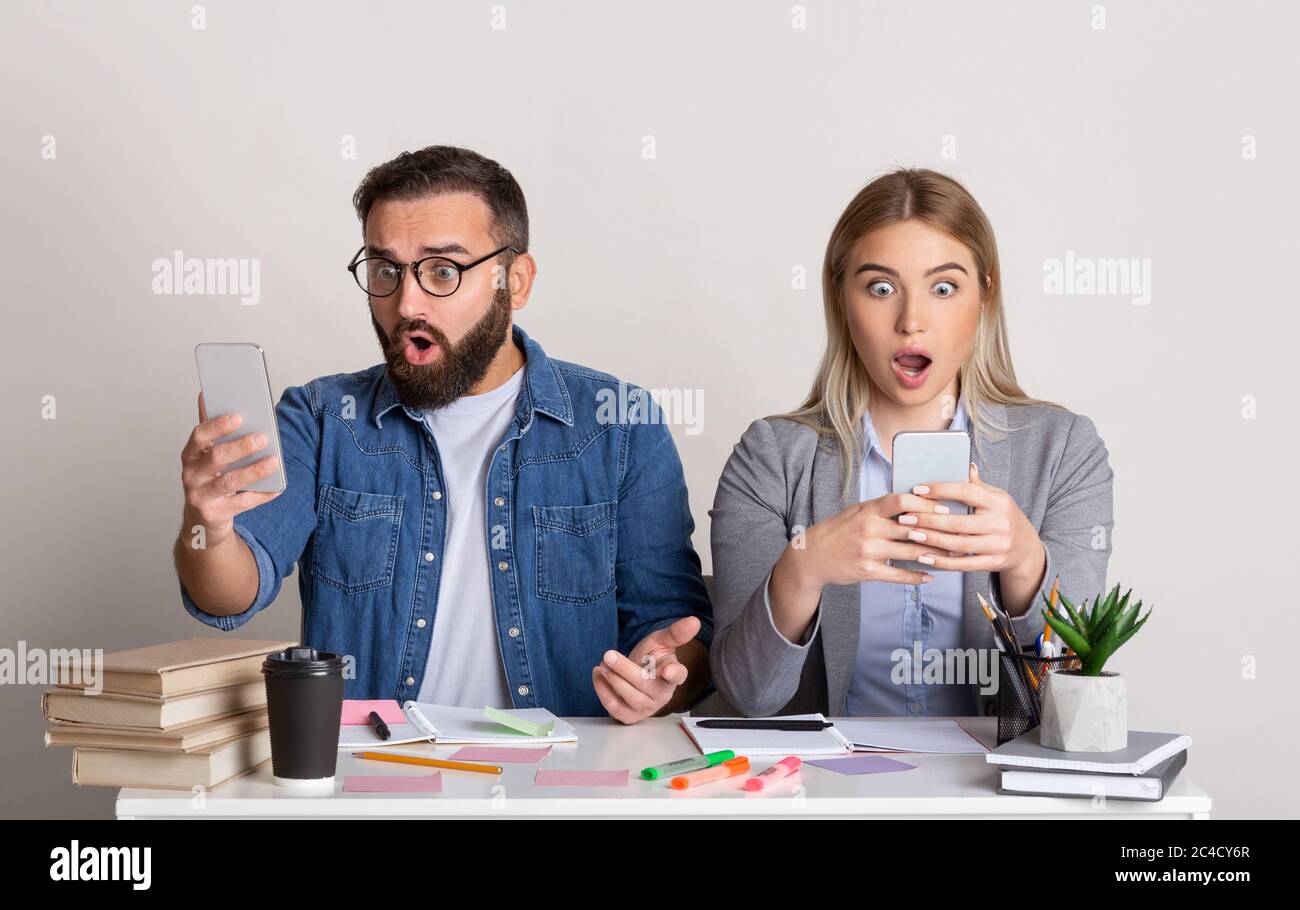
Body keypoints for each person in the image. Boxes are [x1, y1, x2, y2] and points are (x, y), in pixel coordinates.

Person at [174, 145, 712, 721]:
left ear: (517, 281)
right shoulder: (321, 419)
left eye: (442, 270)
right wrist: (205, 525)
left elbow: (681, 637)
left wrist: (658, 681)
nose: (406, 302)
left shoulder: (621, 422)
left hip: (557, 776)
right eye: (385, 270)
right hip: (375, 775)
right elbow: (228, 593)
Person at [708, 168, 1113, 718]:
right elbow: (746, 696)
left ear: (984, 296)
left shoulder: (1063, 450)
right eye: (880, 288)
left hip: (985, 796)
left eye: (943, 288)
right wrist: (802, 569)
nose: (911, 321)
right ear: (841, 299)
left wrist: (1024, 563)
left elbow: (1072, 705)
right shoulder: (772, 458)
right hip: (828, 791)